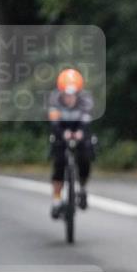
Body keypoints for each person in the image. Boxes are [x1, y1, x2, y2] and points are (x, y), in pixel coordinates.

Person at [48, 68, 95, 219]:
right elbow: (54, 123)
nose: (69, 98)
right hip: (61, 131)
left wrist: (80, 132)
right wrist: (63, 134)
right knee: (59, 162)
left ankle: (82, 187)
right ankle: (56, 200)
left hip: (79, 129)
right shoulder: (54, 100)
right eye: (66, 95)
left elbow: (86, 121)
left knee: (85, 157)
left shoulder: (86, 100)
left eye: (73, 94)